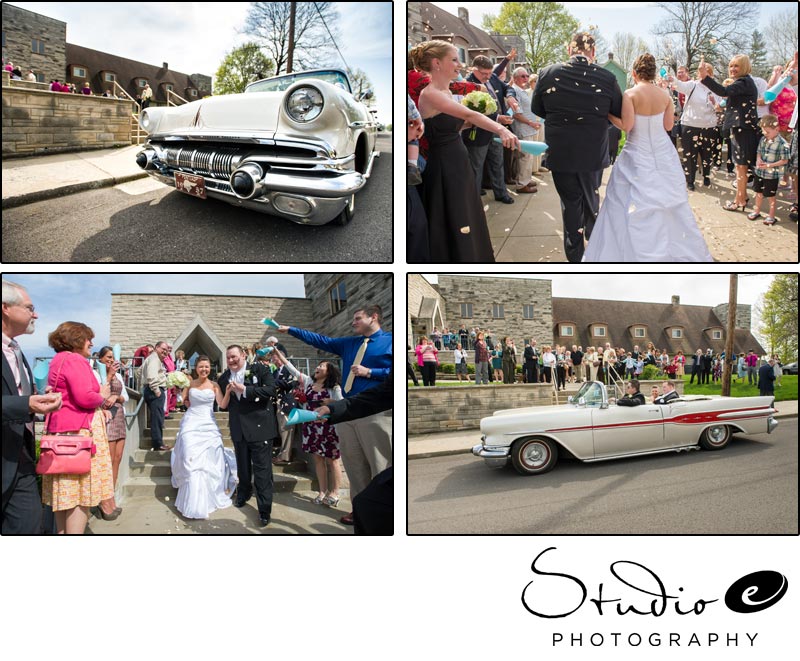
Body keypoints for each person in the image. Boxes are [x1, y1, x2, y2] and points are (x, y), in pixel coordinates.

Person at [583, 54, 712, 262]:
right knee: (668, 202)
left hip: (637, 154)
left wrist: (608, 115)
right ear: (653, 74)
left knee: (626, 201)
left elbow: (627, 126)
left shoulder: (631, 94)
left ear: (634, 73)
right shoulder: (664, 97)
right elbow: (669, 126)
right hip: (663, 154)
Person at [279, 305, 392, 527]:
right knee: (355, 468)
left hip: (376, 413)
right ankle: (359, 510)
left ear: (374, 317)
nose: (353, 322)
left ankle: (388, 513)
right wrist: (291, 329)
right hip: (348, 414)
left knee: (381, 468)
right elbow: (320, 340)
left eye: (358, 318)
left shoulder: (390, 341)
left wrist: (371, 372)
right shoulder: (349, 343)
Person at [409, 40, 518, 262]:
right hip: (444, 166)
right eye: (455, 60)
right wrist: (501, 130)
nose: (460, 65)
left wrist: (493, 119)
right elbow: (469, 115)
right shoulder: (430, 94)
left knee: (467, 210)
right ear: (437, 63)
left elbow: (458, 124)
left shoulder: (446, 92)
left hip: (458, 160)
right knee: (455, 213)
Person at [531, 31, 623, 262]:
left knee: (570, 203)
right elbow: (617, 111)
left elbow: (538, 109)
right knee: (591, 197)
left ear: (569, 50)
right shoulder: (607, 77)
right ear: (593, 52)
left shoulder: (547, 73)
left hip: (562, 152)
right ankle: (595, 244)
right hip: (592, 152)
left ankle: (575, 256)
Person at [2, 280, 62, 534]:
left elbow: (17, 397)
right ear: (5, 308)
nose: (35, 314)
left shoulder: (16, 350)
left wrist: (39, 403)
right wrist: (25, 403)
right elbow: (17, 402)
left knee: (28, 526)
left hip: (21, 459)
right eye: (29, 307)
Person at [43, 322, 115, 534]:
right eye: (87, 338)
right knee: (80, 494)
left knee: (65, 493)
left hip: (61, 432)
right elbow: (85, 397)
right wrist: (101, 395)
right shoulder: (75, 359)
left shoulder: (58, 360)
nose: (91, 343)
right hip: (79, 433)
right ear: (76, 339)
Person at [315, 377, 392, 535]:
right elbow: (376, 394)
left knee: (381, 480)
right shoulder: (347, 351)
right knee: (362, 501)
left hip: (376, 415)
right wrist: (334, 409)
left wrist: (370, 372)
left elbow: (382, 393)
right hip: (352, 409)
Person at [217, 345, 278, 527]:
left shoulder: (260, 369)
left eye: (234, 357)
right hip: (239, 429)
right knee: (243, 468)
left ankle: (264, 509)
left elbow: (271, 391)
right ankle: (243, 493)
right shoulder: (224, 378)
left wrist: (245, 389)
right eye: (228, 358)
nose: (231, 360)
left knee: (262, 472)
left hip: (260, 428)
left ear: (244, 355)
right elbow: (224, 404)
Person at [273, 350, 344, 507]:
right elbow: (290, 367)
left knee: (332, 460)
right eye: (318, 365)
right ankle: (322, 491)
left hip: (328, 428)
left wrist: (332, 402)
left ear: (329, 371)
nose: (317, 367)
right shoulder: (308, 382)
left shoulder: (335, 388)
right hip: (311, 427)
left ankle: (335, 492)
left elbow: (343, 405)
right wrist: (277, 351)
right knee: (318, 459)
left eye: (322, 366)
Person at [170, 355, 237, 519]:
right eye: (201, 366)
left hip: (208, 424)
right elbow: (183, 402)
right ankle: (191, 498)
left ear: (210, 368)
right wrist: (178, 393)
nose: (204, 369)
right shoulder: (190, 383)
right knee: (190, 456)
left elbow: (222, 405)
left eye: (207, 367)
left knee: (209, 458)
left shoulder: (214, 386)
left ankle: (206, 497)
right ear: (196, 368)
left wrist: (228, 391)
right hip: (191, 422)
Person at [699, 55, 759, 212]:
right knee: (741, 166)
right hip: (741, 128)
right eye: (731, 66)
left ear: (744, 67)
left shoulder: (743, 82)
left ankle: (739, 200)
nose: (732, 69)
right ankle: (742, 196)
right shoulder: (744, 83)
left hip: (743, 129)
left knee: (741, 166)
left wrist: (705, 77)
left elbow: (724, 91)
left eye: (736, 66)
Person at [669, 63, 722, 189]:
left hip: (709, 126)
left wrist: (717, 105)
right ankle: (690, 181)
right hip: (690, 125)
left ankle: (706, 177)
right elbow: (679, 85)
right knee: (689, 154)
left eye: (707, 72)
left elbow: (720, 106)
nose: (704, 74)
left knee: (707, 154)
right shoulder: (692, 85)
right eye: (701, 72)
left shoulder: (716, 89)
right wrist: (672, 79)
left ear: (711, 74)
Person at [95, 346, 129, 506]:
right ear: (100, 358)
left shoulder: (119, 376)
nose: (110, 360)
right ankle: (103, 499)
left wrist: (117, 397)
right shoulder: (95, 373)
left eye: (112, 357)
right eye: (107, 357)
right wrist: (109, 375)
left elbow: (126, 397)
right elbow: (97, 395)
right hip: (105, 416)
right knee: (106, 459)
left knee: (117, 458)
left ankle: (111, 495)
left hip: (119, 416)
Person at [746, 114, 790, 225]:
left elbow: (784, 160)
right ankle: (757, 211)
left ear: (777, 129)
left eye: (767, 131)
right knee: (758, 193)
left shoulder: (782, 144)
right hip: (760, 172)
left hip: (771, 175)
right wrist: (758, 160)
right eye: (763, 131)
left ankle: (771, 215)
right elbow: (759, 152)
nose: (765, 134)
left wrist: (770, 166)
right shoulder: (763, 139)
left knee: (770, 196)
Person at [510, 67, 542, 194]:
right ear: (515, 78)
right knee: (524, 157)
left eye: (527, 76)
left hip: (529, 128)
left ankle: (526, 179)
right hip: (523, 129)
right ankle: (521, 184)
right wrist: (530, 122)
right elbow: (516, 114)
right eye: (522, 76)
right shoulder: (514, 91)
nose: (526, 78)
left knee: (527, 157)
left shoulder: (522, 90)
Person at [142, 341, 171, 451]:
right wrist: (157, 390)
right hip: (155, 391)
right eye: (163, 348)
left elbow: (139, 372)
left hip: (150, 390)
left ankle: (158, 443)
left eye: (166, 350)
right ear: (156, 348)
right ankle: (158, 444)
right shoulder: (154, 359)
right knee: (157, 418)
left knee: (156, 417)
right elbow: (152, 376)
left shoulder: (151, 359)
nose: (165, 351)